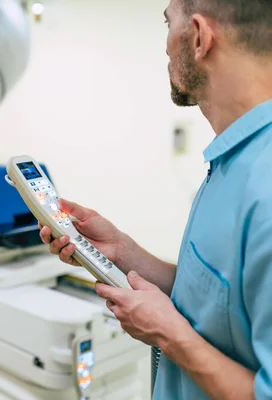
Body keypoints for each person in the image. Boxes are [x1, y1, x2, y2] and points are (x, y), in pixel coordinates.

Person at [40, 0, 272, 399]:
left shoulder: (264, 187)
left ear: (199, 37)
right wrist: (123, 252)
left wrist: (169, 333)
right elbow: (221, 304)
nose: (165, 47)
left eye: (168, 23)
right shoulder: (233, 161)